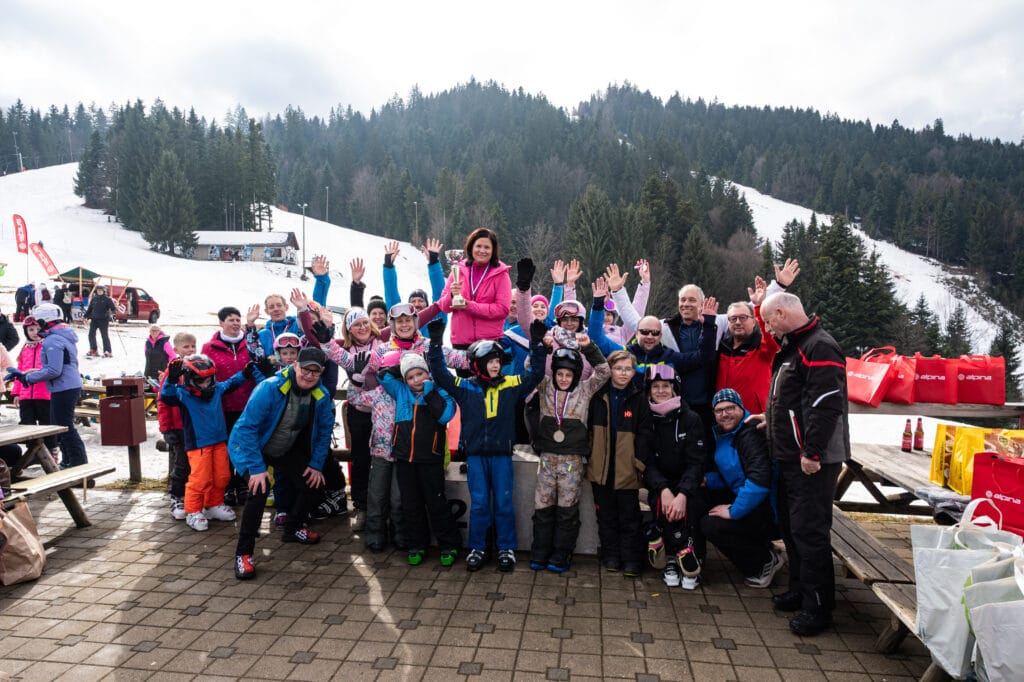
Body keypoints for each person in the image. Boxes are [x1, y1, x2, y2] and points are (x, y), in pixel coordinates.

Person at [427, 316, 547, 572]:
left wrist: (537, 345)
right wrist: (435, 344)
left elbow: (535, 374)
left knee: (504, 502)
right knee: (480, 503)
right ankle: (478, 547)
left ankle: (505, 548)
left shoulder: (511, 385)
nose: (495, 365)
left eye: (498, 361)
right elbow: (440, 375)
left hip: (501, 455)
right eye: (490, 361)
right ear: (477, 364)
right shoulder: (465, 387)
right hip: (476, 457)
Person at [761, 291, 849, 637]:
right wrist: (770, 419)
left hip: (811, 460)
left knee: (810, 532)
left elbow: (825, 404)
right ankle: (799, 589)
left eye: (768, 321)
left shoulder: (820, 346)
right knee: (793, 528)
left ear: (781, 314)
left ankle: (818, 607)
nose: (768, 328)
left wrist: (812, 451)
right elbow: (792, 400)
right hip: (790, 455)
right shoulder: (796, 346)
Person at [228, 347, 334, 580]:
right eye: (305, 369)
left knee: (314, 484)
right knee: (259, 489)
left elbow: (325, 431)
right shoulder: (270, 387)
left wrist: (316, 464)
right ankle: (244, 553)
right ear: (295, 365)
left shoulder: (321, 395)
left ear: (321, 372)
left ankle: (293, 528)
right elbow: (247, 428)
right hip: (249, 447)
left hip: (282, 446)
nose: (309, 375)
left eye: (315, 372)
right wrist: (257, 468)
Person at [529, 335, 609, 573]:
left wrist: (589, 347)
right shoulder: (544, 386)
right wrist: (542, 346)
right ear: (553, 373)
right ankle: (540, 552)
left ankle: (561, 554)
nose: (563, 378)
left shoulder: (585, 390)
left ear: (576, 375)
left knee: (567, 510)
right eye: (560, 374)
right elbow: (530, 367)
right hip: (547, 459)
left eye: (568, 374)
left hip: (572, 462)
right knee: (543, 508)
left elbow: (604, 372)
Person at [378, 353, 461, 567]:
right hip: (405, 459)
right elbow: (383, 376)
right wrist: (404, 363)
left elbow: (445, 416)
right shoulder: (401, 391)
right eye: (410, 377)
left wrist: (430, 391)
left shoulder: (441, 392)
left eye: (420, 374)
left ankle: (449, 544)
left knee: (436, 503)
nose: (416, 380)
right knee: (411, 504)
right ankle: (417, 544)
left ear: (428, 373)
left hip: (430, 459)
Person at [161, 354, 255, 532]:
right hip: (198, 445)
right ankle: (193, 510)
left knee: (222, 476)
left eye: (208, 380)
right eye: (200, 381)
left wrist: (244, 374)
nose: (205, 385)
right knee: (200, 479)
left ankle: (213, 504)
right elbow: (166, 396)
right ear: (190, 379)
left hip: (219, 441)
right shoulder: (183, 393)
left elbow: (230, 384)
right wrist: (171, 380)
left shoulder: (216, 389)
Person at [700, 388, 782, 589]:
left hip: (769, 510)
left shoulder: (751, 434)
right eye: (719, 410)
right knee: (701, 500)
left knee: (711, 525)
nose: (725, 414)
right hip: (750, 501)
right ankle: (761, 548)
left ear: (741, 408)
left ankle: (762, 563)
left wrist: (733, 511)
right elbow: (733, 476)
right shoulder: (725, 434)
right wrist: (707, 480)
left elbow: (759, 481)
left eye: (730, 408)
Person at [640, 365, 708, 590]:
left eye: (666, 386)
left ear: (674, 389)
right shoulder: (646, 419)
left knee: (690, 506)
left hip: (687, 483)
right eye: (655, 387)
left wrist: (682, 494)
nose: (660, 391)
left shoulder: (691, 418)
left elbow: (696, 462)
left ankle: (692, 557)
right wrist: (663, 489)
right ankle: (672, 557)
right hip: (661, 484)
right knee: (661, 504)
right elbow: (647, 462)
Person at [586, 350, 651, 578]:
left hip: (627, 468)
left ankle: (632, 559)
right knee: (606, 515)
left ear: (634, 372)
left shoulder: (639, 398)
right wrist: (590, 457)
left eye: (628, 369)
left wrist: (638, 462)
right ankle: (611, 555)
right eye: (618, 368)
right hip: (601, 467)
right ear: (610, 370)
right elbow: (588, 430)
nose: (623, 373)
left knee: (629, 516)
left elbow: (645, 434)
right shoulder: (598, 396)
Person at [4, 303, 88, 468]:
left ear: (44, 321)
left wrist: (28, 378)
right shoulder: (60, 336)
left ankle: (77, 462)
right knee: (59, 426)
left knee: (64, 427)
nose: (37, 327)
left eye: (38, 322)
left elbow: (53, 370)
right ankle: (69, 460)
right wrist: (26, 375)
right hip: (64, 385)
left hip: (64, 386)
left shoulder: (52, 340)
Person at [202, 306, 259, 506]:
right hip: (222, 407)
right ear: (221, 323)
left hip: (248, 405)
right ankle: (227, 486)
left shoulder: (250, 343)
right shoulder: (209, 347)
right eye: (230, 320)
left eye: (237, 319)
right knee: (225, 449)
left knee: (244, 446)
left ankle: (243, 485)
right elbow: (205, 376)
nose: (235, 323)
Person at [436, 227, 512, 347]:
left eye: (487, 247)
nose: (482, 251)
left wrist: (469, 306)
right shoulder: (458, 270)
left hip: (489, 344)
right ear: (471, 247)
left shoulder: (501, 274)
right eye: (478, 246)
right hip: (460, 343)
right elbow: (443, 307)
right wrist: (452, 295)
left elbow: (502, 309)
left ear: (493, 250)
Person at [160, 332, 197, 521]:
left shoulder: (198, 367)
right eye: (186, 347)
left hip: (195, 426)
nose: (190, 350)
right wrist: (166, 428)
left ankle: (193, 497)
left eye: (193, 346)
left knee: (196, 465)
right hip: (178, 426)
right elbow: (163, 402)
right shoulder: (172, 372)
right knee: (182, 464)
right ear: (176, 349)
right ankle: (176, 497)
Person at [9, 317, 58, 456]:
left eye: (38, 329)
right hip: (26, 395)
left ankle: (52, 451)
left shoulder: (47, 346)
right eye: (31, 329)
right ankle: (33, 453)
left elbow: (51, 369)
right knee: (27, 425)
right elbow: (19, 372)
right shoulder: (25, 349)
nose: (35, 332)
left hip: (44, 394)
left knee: (46, 424)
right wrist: (17, 393)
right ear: (26, 331)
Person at [84, 284, 117, 357]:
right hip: (94, 319)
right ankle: (93, 349)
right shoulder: (94, 299)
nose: (99, 291)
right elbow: (90, 309)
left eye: (100, 290)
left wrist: (113, 314)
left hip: (103, 320)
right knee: (91, 335)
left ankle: (107, 351)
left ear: (103, 291)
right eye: (98, 290)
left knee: (104, 336)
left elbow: (113, 309)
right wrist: (85, 316)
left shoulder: (107, 299)